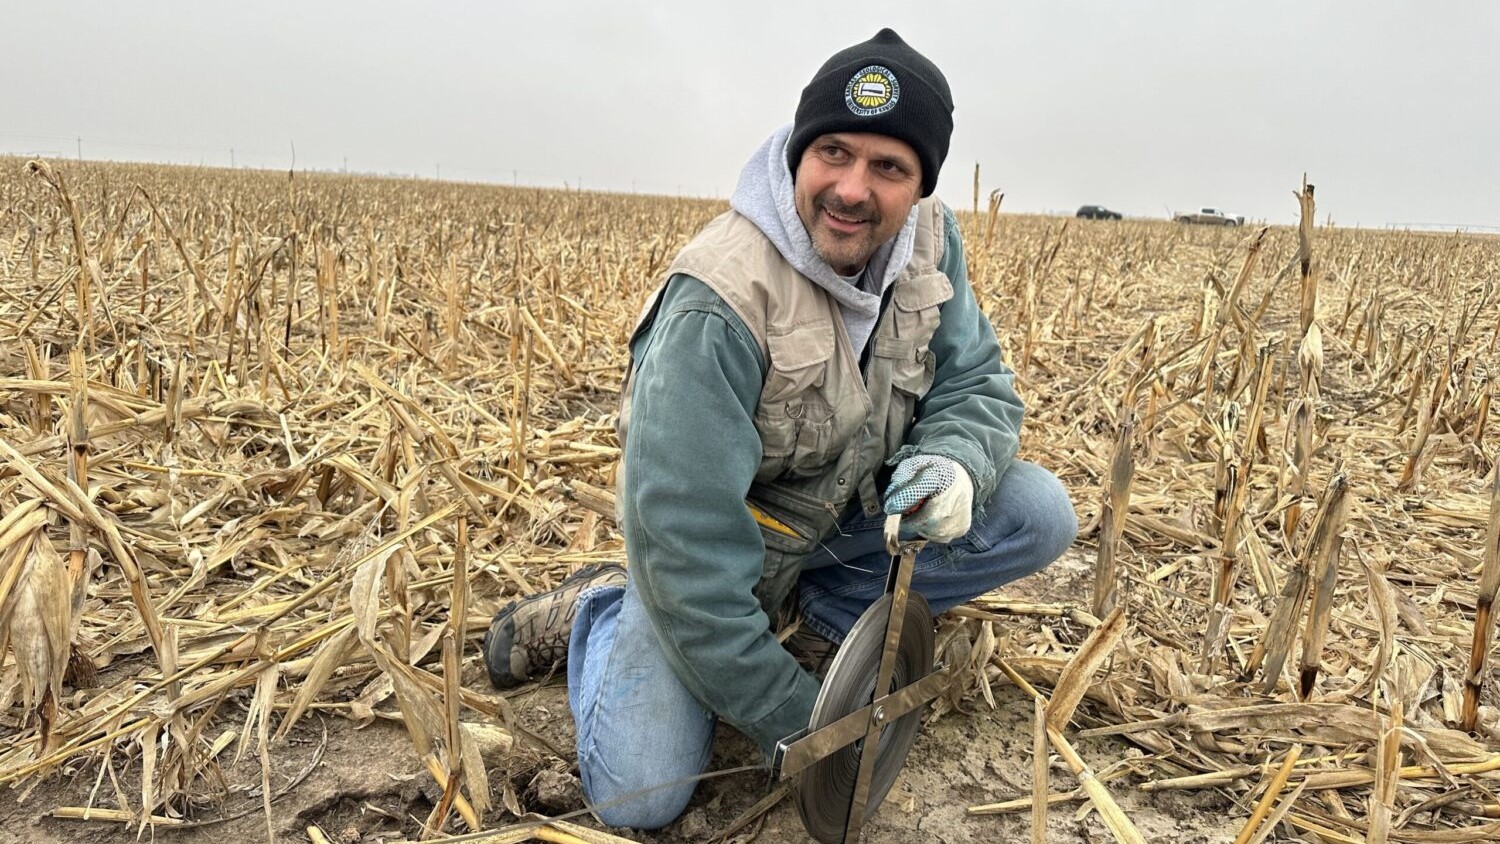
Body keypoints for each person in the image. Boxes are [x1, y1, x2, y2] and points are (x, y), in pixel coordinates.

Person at [482, 27, 1078, 830]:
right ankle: (605, 606)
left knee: (1037, 512)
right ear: (799, 151)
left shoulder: (929, 243)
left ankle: (821, 612)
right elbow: (689, 548)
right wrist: (807, 723)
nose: (852, 188)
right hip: (709, 561)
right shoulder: (719, 302)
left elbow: (977, 380)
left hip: (838, 527)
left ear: (920, 185)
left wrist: (951, 462)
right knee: (643, 795)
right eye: (833, 152)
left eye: (889, 168)